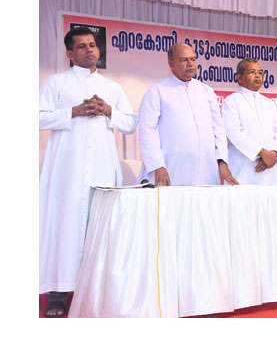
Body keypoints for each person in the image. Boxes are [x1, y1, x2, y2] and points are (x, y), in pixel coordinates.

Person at [39, 27, 138, 317]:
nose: (90, 50)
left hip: (102, 170)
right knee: (64, 226)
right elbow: (37, 117)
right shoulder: (56, 83)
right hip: (66, 172)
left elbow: (131, 123)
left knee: (100, 228)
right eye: (81, 46)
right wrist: (73, 112)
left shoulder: (112, 88)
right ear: (69, 53)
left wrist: (109, 110)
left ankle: (98, 290)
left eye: (93, 45)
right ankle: (58, 291)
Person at [137, 43, 238, 186]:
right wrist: (157, 166)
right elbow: (147, 131)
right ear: (171, 64)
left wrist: (222, 162)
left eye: (193, 59)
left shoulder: (207, 91)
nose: (190, 64)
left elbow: (219, 131)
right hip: (171, 169)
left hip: (207, 171)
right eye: (184, 60)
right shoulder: (157, 91)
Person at [222, 58, 277, 185]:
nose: (257, 76)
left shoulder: (269, 103)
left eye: (260, 73)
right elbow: (234, 133)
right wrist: (262, 153)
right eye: (252, 72)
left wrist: (273, 154)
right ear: (239, 77)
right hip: (245, 168)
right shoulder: (231, 101)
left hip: (271, 169)